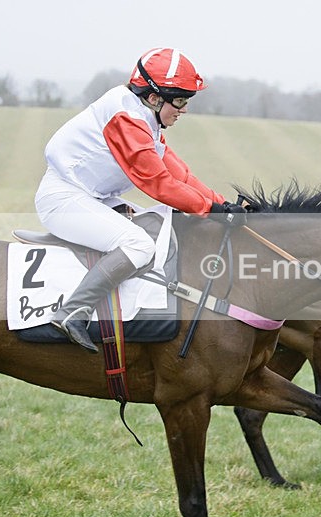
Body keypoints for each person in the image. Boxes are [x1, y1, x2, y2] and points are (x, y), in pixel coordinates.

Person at [35, 47, 246, 353]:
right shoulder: (126, 118)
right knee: (140, 245)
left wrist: (223, 204)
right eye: (181, 100)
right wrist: (211, 209)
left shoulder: (144, 119)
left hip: (90, 196)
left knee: (158, 225)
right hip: (64, 198)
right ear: (154, 97)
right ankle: (72, 312)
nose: (184, 109)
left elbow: (181, 176)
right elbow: (159, 184)